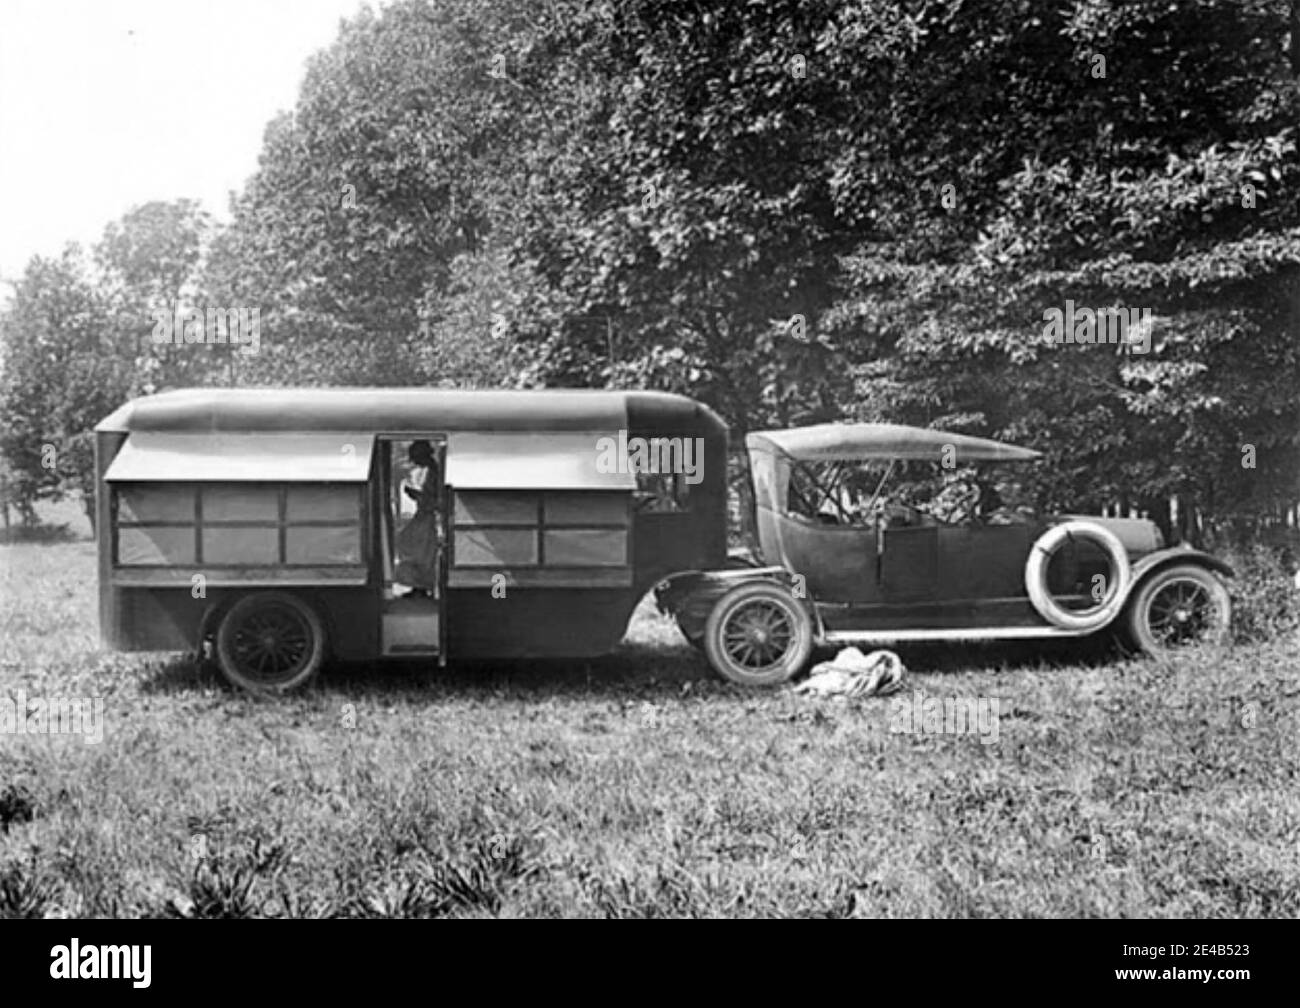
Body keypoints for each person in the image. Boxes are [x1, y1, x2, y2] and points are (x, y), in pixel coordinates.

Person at [394, 440, 442, 595]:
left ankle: (421, 586)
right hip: (423, 515)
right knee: (411, 546)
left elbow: (435, 500)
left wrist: (416, 495)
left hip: (429, 517)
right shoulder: (428, 470)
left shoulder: (433, 472)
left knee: (421, 553)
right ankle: (418, 585)